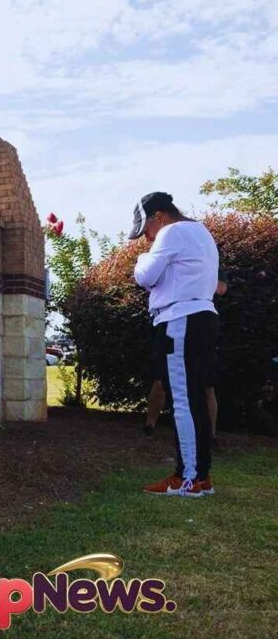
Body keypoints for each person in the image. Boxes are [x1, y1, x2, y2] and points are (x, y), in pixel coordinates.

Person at [129, 192, 219, 497]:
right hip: (202, 316)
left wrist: (143, 258)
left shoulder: (171, 232)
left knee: (182, 400)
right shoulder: (201, 233)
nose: (147, 238)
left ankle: (187, 478)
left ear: (159, 216)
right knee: (195, 399)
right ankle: (201, 476)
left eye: (146, 230)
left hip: (179, 320)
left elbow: (144, 277)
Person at [143, 270, 227, 446]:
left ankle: (210, 435)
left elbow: (221, 289)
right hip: (173, 324)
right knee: (161, 380)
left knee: (207, 385)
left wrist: (195, 282)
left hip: (202, 329)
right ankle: (149, 425)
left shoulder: (212, 265)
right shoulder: (174, 264)